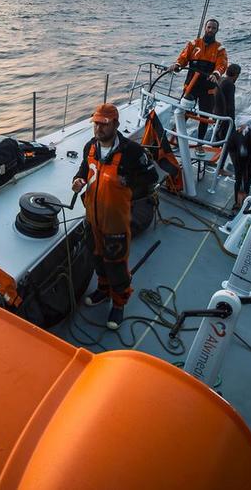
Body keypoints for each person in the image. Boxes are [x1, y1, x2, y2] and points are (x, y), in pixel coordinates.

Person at [72, 103, 158, 330]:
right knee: (97, 258)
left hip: (116, 223)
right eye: (96, 124)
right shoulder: (90, 147)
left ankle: (119, 303)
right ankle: (102, 289)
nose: (98, 129)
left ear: (116, 125)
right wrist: (77, 180)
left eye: (104, 124)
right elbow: (84, 169)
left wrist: (129, 185)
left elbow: (151, 179)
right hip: (92, 219)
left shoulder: (132, 152)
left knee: (116, 265)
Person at [170, 19, 228, 142]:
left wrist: (216, 74)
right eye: (209, 27)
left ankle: (199, 144)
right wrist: (177, 65)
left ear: (217, 30)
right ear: (205, 28)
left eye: (213, 28)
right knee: (183, 112)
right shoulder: (193, 44)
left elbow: (222, 65)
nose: (211, 30)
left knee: (204, 117)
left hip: (208, 89)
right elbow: (182, 58)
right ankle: (173, 138)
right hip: (191, 86)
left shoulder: (220, 49)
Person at [213, 63, 241, 142]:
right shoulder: (230, 84)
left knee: (218, 138)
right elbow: (231, 105)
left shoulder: (221, 79)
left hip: (215, 114)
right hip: (224, 117)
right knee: (231, 141)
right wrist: (232, 121)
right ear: (236, 75)